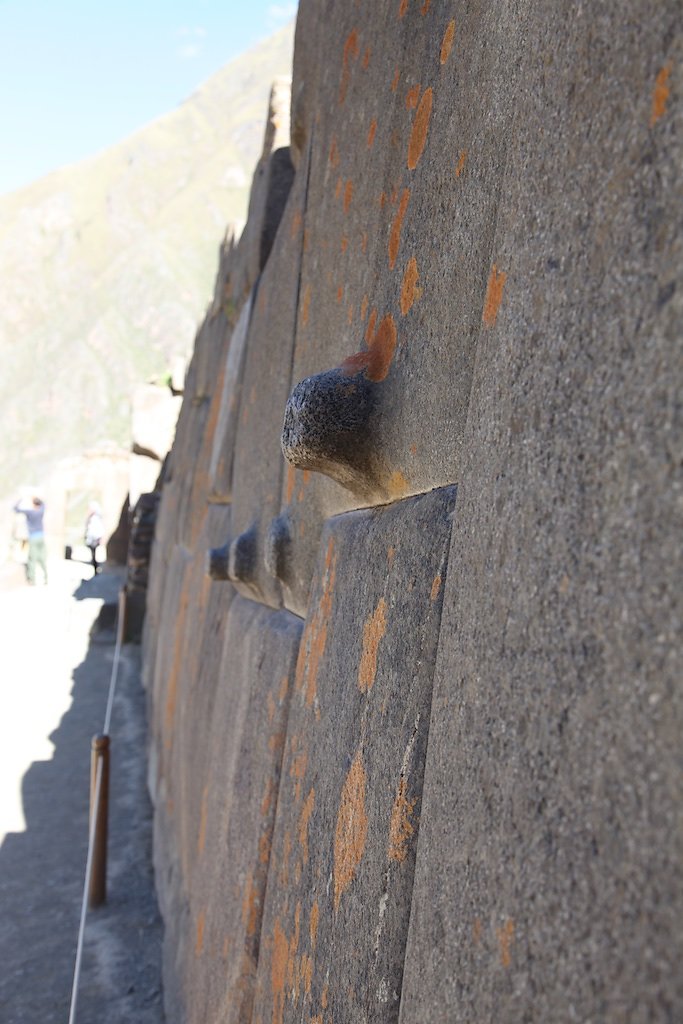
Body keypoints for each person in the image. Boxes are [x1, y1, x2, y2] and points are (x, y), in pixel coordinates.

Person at [13, 496, 48, 585]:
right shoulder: (41, 511)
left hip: (33, 537)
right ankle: (46, 578)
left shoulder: (30, 512)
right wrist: (37, 499)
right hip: (41, 537)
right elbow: (43, 504)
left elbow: (16, 509)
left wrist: (20, 499)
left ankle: (32, 580)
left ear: (33, 504)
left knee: (32, 559)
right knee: (42, 558)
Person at [85, 502, 104, 575]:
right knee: (92, 555)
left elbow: (98, 530)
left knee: (94, 555)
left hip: (94, 539)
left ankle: (95, 569)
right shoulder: (91, 518)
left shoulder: (95, 518)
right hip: (92, 538)